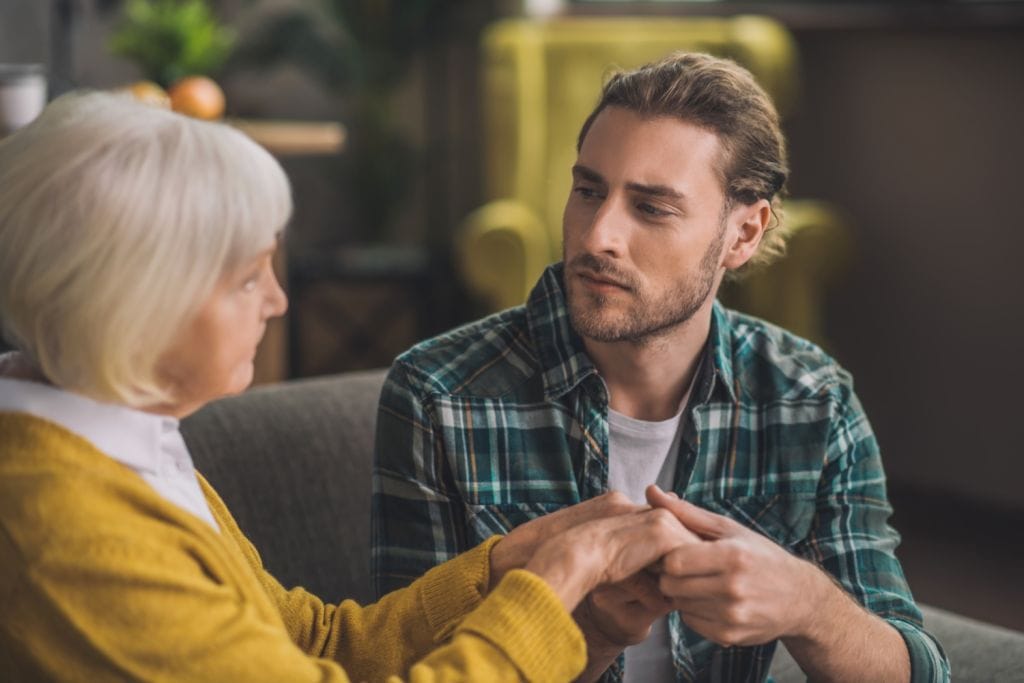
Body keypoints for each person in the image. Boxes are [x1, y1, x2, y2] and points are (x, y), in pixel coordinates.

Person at [0, 92, 700, 682]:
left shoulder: (123, 441)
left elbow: (312, 641)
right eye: (247, 278)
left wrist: (498, 567)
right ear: (131, 305)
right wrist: (549, 589)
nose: (277, 301)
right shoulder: (67, 527)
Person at [372, 52, 950, 682]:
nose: (598, 237)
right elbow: (405, 662)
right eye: (588, 190)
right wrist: (584, 635)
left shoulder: (813, 400)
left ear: (744, 234)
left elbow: (916, 671)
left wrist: (808, 605)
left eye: (652, 207)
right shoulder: (440, 394)